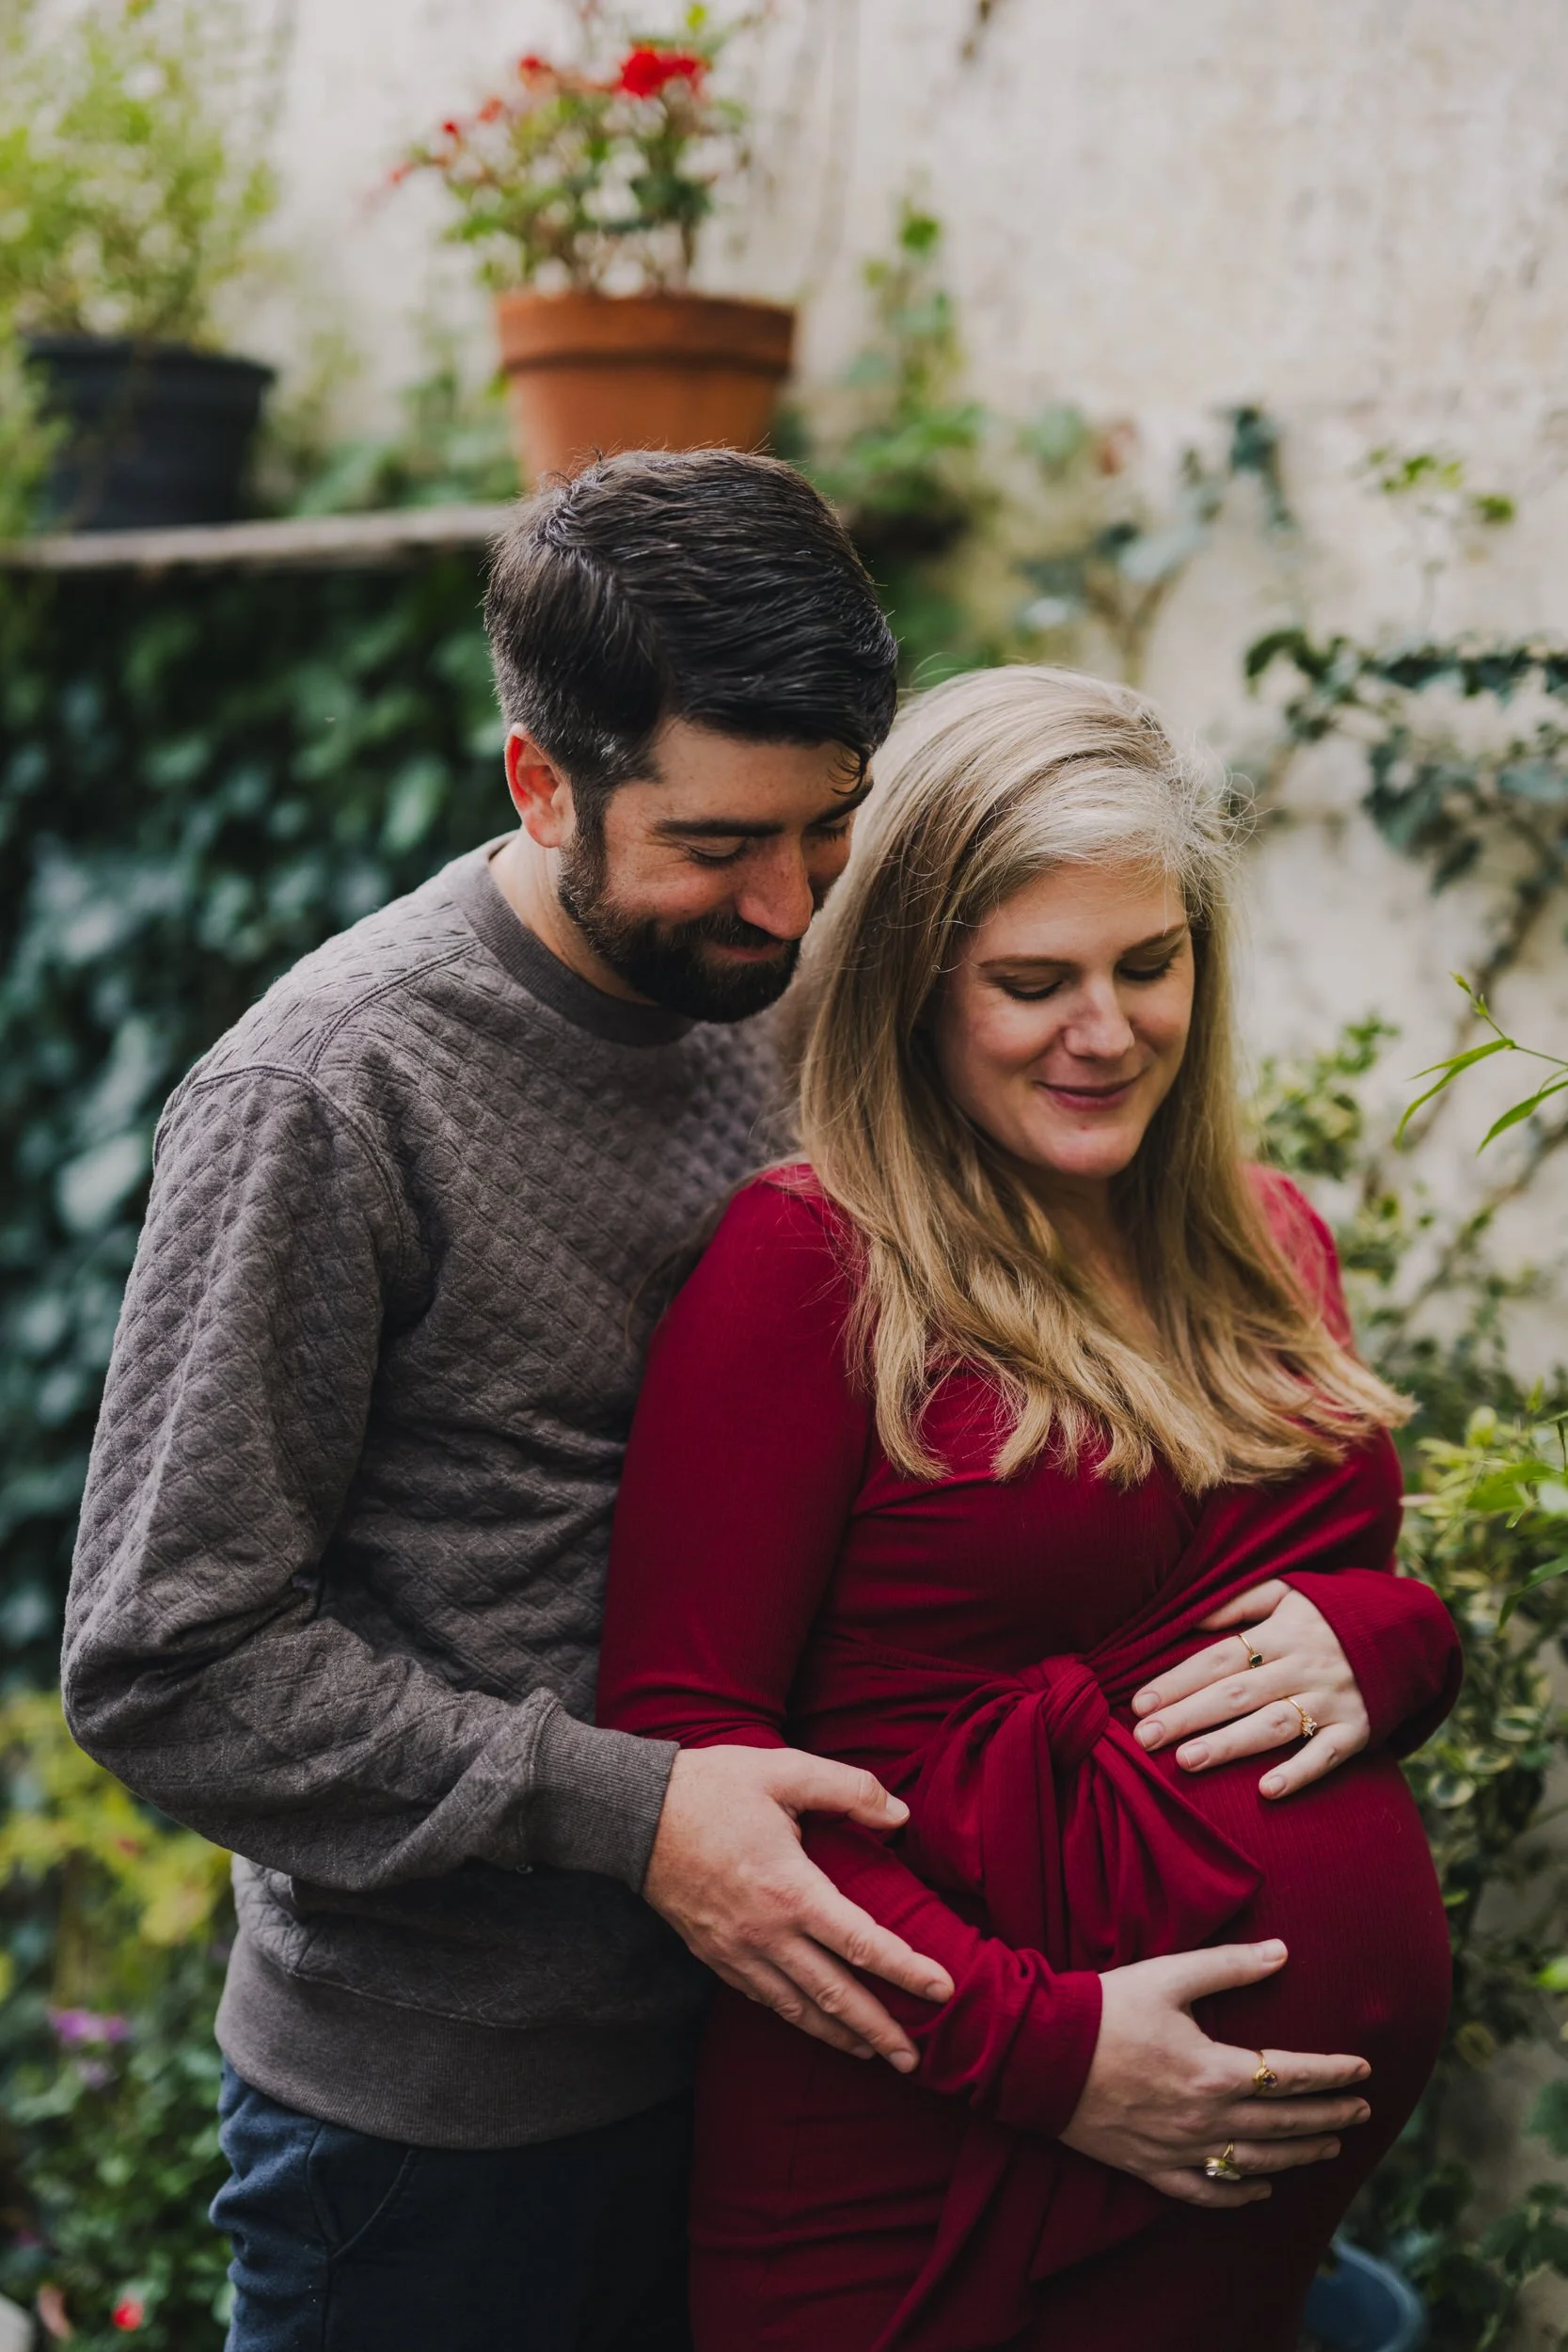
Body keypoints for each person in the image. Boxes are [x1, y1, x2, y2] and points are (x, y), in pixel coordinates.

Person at [61, 450, 955, 2352]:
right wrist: (631, 1812)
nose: (790, 905)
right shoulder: (326, 1090)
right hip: (435, 2148)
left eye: (830, 827)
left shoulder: (797, 988)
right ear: (539, 779)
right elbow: (166, 1661)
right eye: (718, 846)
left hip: (771, 2070)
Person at [598, 664, 1462, 2352]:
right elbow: (688, 1760)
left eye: (1150, 965)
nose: (1105, 1029)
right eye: (1029, 982)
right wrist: (1048, 2057)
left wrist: (1400, 1642)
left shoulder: (1269, 1238)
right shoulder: (810, 1267)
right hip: (918, 2175)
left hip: (1222, 2242)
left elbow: (1320, 1599)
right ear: (914, 987)